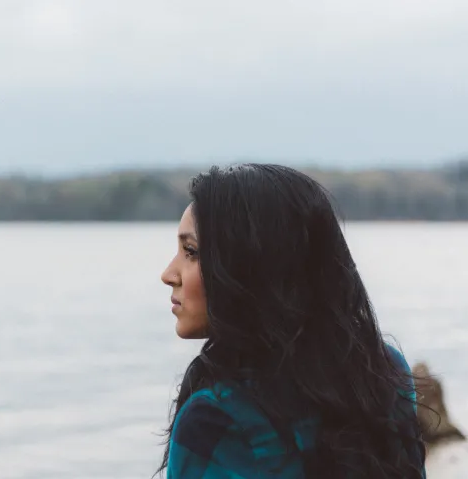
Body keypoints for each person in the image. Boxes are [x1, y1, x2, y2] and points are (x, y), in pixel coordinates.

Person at [157, 164, 425, 478]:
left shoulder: (217, 420)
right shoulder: (381, 373)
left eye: (190, 251)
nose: (168, 274)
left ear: (249, 266)